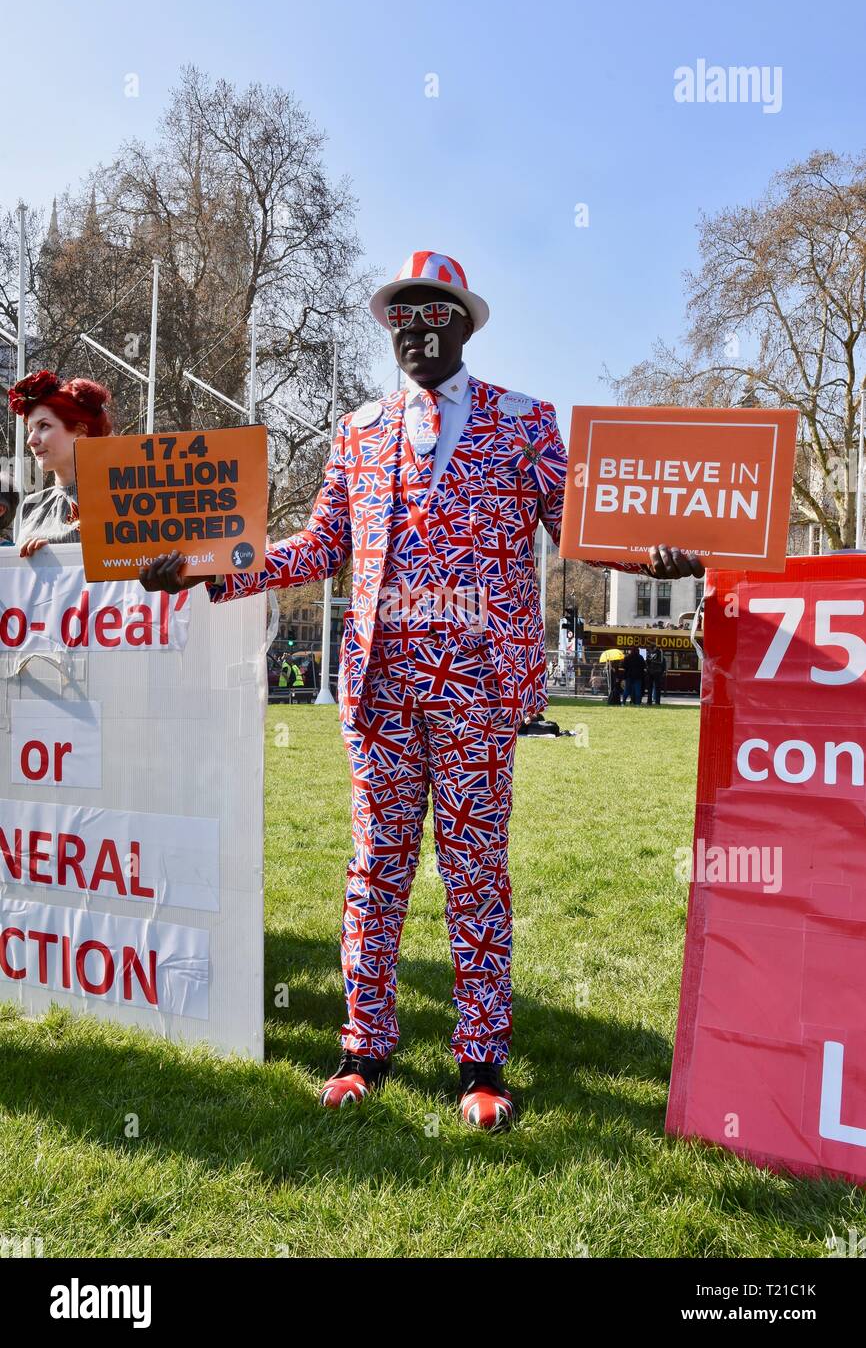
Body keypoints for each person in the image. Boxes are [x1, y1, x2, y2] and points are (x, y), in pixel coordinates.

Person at [138, 249, 704, 1130]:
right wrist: (212, 565)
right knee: (377, 870)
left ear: (464, 324)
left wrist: (656, 550)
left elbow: (584, 522)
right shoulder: (357, 431)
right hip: (377, 690)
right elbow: (318, 548)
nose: (415, 329)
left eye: (433, 314)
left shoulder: (525, 423)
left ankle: (481, 1061)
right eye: (401, 315)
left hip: (477, 689)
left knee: (478, 873)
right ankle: (363, 1045)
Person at [7, 370, 113, 554]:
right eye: (30, 429)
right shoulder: (31, 505)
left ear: (80, 430)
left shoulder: (122, 500)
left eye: (44, 426)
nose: (31, 440)